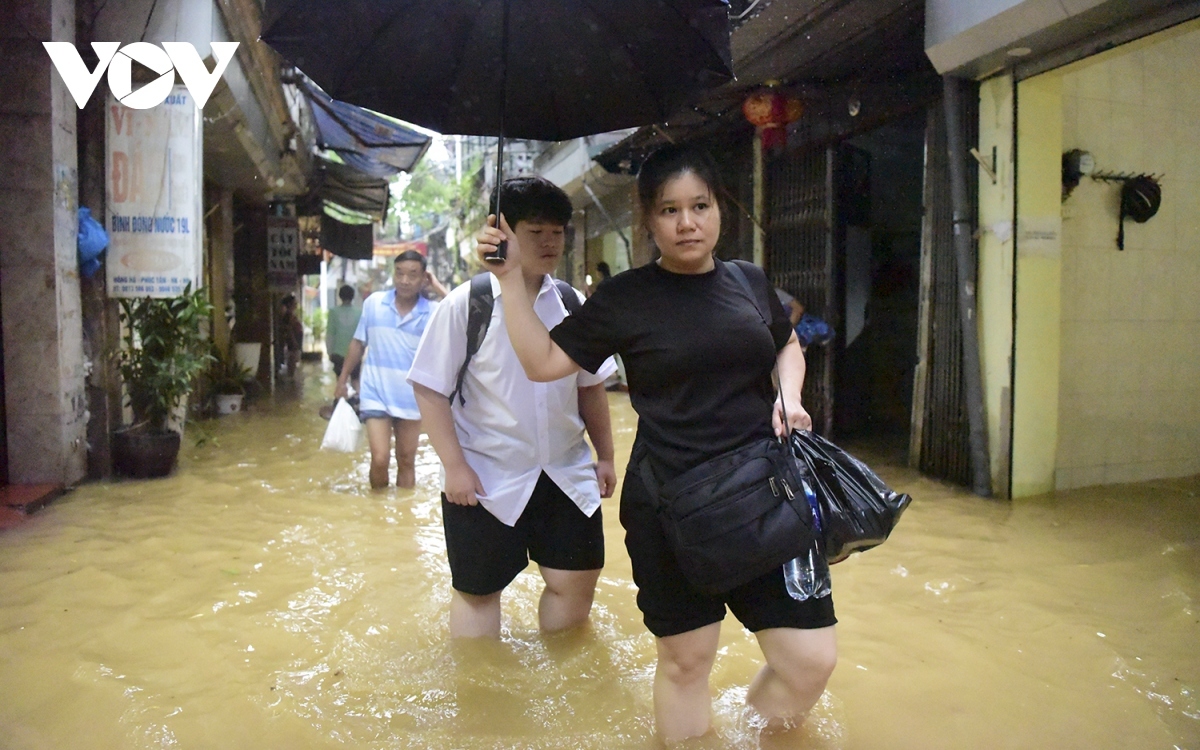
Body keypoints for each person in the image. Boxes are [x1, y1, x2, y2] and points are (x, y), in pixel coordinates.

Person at [476, 145, 836, 742]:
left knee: (811, 662)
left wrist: (789, 396)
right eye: (670, 210)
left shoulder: (747, 280)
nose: (687, 222)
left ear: (720, 208)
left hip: (766, 495)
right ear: (648, 220)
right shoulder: (625, 299)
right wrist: (511, 279)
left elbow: (787, 342)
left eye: (700, 205)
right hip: (671, 504)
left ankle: (756, 733)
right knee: (686, 662)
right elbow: (542, 362)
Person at [408, 177, 618, 639]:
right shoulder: (468, 304)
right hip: (485, 474)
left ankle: (562, 688)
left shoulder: (570, 303)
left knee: (575, 584)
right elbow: (429, 390)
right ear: (502, 232)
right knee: (478, 593)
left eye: (558, 232)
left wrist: (604, 454)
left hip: (565, 471)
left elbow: (590, 386)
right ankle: (482, 701)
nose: (549, 243)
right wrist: (454, 466)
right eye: (535, 231)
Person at [334, 250, 436, 489]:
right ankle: (377, 516)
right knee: (380, 459)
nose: (405, 280)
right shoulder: (374, 304)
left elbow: (459, 314)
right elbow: (358, 343)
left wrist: (438, 286)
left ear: (423, 278)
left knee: (406, 461)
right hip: (375, 393)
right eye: (399, 273)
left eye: (412, 275)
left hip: (412, 397)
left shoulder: (432, 312)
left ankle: (403, 519)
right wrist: (342, 379)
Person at [326, 284, 362, 393]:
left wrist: (329, 352)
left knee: (341, 381)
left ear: (340, 296)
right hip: (355, 354)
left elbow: (330, 335)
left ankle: (342, 404)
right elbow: (362, 336)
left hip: (338, 353)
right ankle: (358, 404)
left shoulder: (333, 312)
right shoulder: (359, 313)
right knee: (356, 381)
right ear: (353, 296)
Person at [277, 294, 303, 379]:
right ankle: (291, 380)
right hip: (293, 341)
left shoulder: (290, 314)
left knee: (293, 361)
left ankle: (291, 379)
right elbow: (289, 329)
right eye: (294, 303)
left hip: (295, 340)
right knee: (292, 361)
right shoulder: (289, 315)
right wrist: (294, 341)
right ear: (290, 304)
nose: (296, 304)